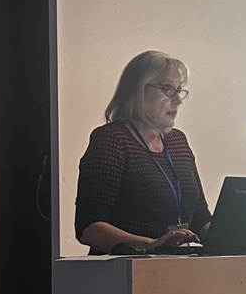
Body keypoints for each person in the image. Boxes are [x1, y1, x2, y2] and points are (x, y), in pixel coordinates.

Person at [75, 50, 211, 254]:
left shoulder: (178, 142)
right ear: (138, 90)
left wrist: (239, 237)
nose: (178, 100)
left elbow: (200, 218)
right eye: (167, 89)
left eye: (179, 90)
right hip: (125, 269)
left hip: (178, 267)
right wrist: (151, 245)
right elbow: (89, 228)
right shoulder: (112, 139)